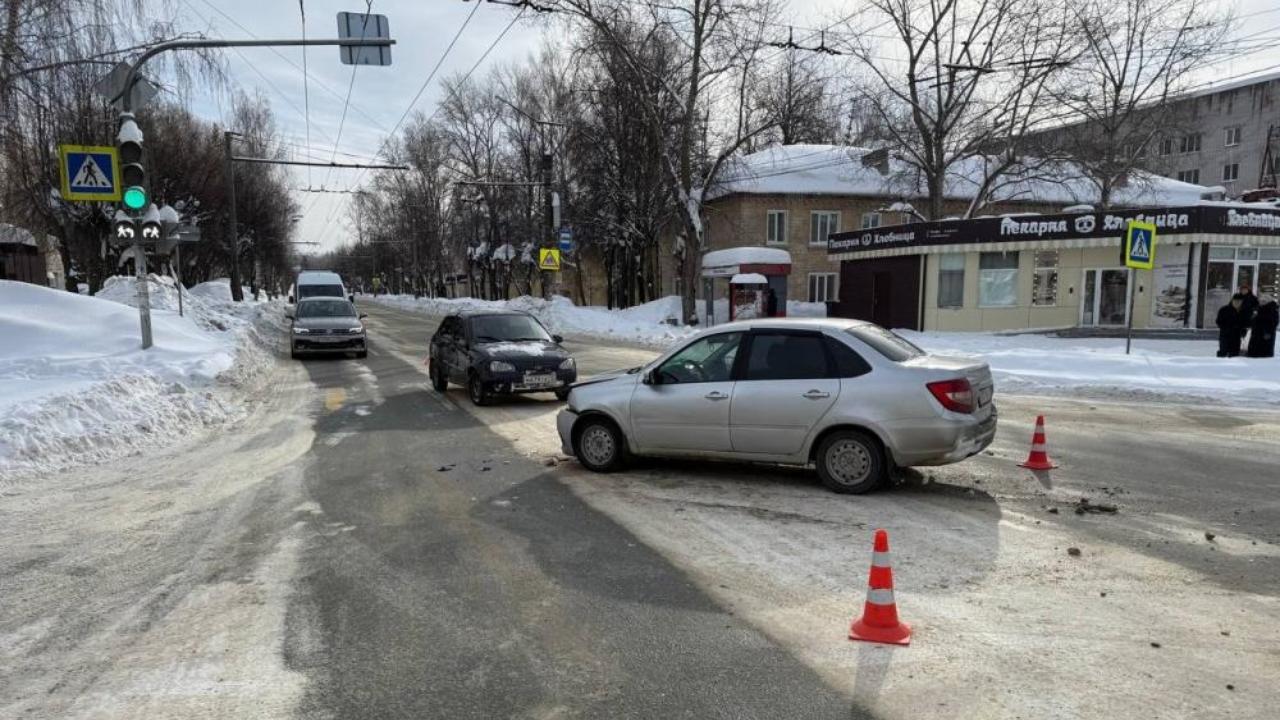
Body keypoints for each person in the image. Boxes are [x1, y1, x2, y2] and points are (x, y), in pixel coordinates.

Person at [1246, 294, 1278, 358]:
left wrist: (1268, 332)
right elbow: (1255, 319)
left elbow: (1273, 322)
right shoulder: (1259, 309)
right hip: (1257, 332)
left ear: (1268, 301)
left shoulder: (1272, 309)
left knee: (1264, 348)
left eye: (1263, 301)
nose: (1261, 302)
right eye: (1260, 301)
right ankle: (1254, 353)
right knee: (1256, 345)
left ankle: (1259, 354)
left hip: (1266, 333)